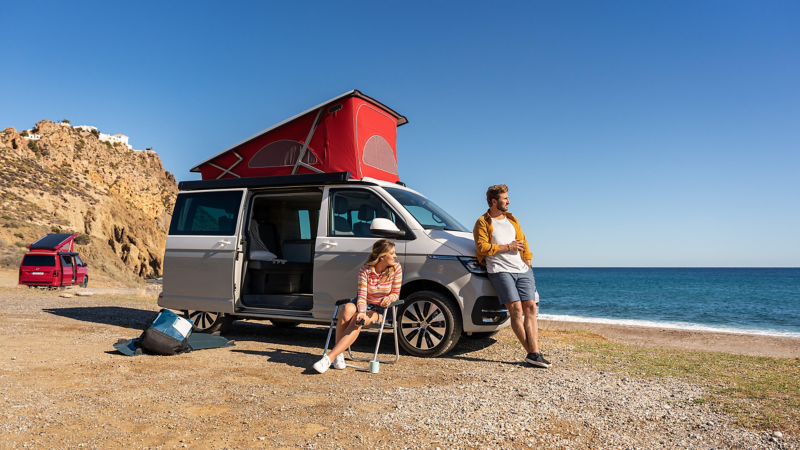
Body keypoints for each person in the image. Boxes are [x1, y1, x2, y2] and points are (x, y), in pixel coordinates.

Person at [473, 184, 551, 368]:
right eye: (505, 198)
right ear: (494, 201)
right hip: (500, 270)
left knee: (530, 307)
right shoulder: (483, 222)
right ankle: (534, 353)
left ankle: (533, 353)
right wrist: (508, 247)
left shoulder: (512, 219)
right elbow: (482, 248)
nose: (509, 201)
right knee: (516, 309)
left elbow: (524, 243)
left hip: (522, 269)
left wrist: (529, 265)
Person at [312, 239, 403, 373]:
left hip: (379, 309)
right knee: (347, 308)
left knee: (357, 320)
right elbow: (362, 295)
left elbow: (395, 293)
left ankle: (329, 358)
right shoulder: (365, 270)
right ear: (382, 256)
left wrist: (389, 298)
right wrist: (361, 310)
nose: (395, 256)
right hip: (363, 303)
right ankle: (339, 355)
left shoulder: (396, 268)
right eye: (392, 253)